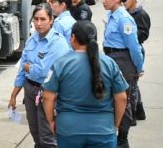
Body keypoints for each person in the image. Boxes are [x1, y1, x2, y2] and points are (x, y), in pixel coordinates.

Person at [43, 20, 128, 148]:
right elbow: (122, 98)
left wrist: (50, 121)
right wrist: (114, 125)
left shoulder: (61, 63)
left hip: (69, 129)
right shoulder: (110, 63)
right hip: (103, 129)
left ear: (73, 38)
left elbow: (47, 97)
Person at [8, 3, 69, 148]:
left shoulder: (58, 43)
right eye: (36, 19)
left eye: (43, 19)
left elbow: (41, 72)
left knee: (47, 136)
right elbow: (22, 70)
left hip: (47, 93)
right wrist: (14, 95)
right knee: (35, 132)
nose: (39, 23)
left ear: (51, 20)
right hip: (30, 90)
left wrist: (27, 66)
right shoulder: (32, 39)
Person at [101, 0, 144, 148]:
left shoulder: (124, 19)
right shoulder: (111, 16)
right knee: (109, 99)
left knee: (123, 100)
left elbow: (134, 47)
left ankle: (122, 139)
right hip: (111, 58)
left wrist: (139, 68)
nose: (103, 1)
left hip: (123, 61)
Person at [123, 0, 151, 122]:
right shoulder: (125, 13)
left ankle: (132, 115)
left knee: (132, 86)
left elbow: (143, 35)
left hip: (135, 51)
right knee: (132, 84)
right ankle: (139, 110)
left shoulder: (141, 14)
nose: (123, 1)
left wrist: (130, 34)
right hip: (127, 52)